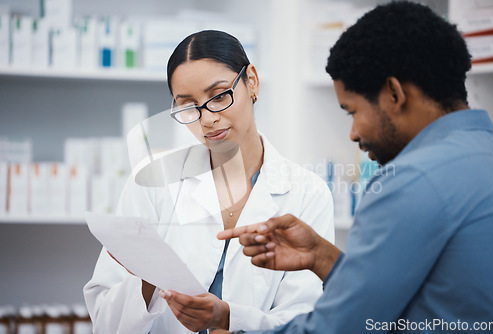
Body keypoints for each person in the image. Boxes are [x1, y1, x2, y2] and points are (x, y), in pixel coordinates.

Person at [217, 2, 493, 333]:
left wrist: (232, 327)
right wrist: (323, 256)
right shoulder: (486, 155)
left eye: (352, 111)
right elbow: (423, 299)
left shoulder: (411, 181)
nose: (354, 133)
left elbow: (341, 327)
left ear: (394, 94)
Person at [83, 30, 335, 334]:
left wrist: (229, 318)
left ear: (251, 81)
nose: (206, 119)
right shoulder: (152, 183)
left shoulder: (306, 192)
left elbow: (304, 319)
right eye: (189, 106)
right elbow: (104, 323)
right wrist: (147, 279)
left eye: (218, 96)